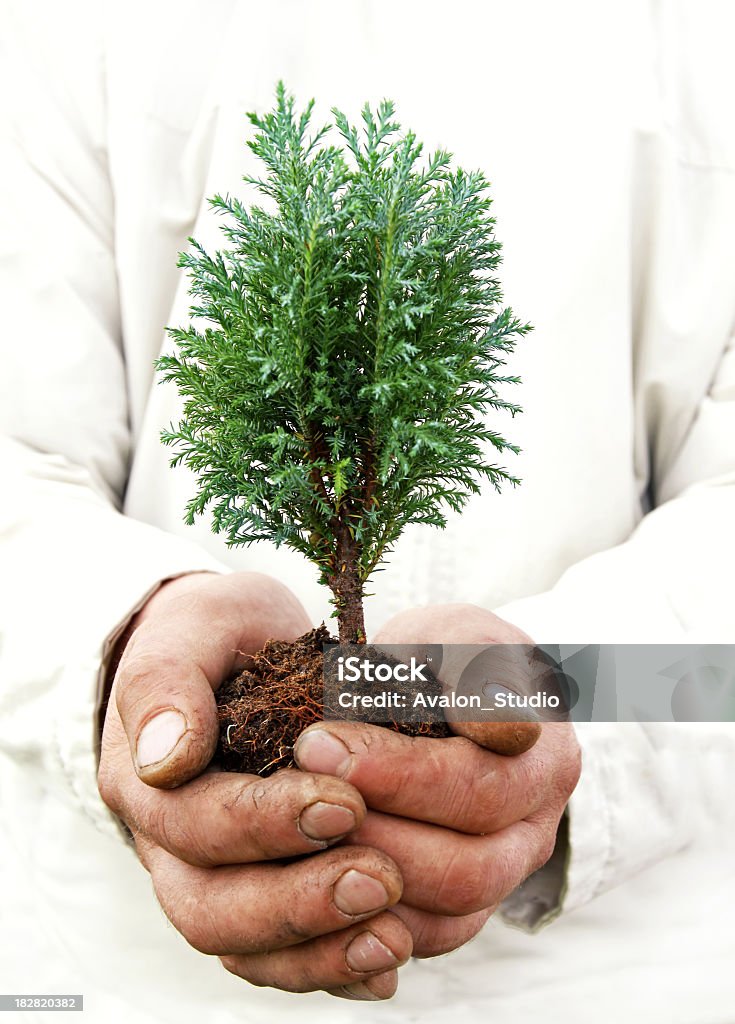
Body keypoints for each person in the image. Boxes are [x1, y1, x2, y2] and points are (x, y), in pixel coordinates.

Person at [1, 1, 734, 1021]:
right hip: (134, 966)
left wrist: (583, 713)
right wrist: (121, 650)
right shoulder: (56, 29)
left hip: (614, 972)